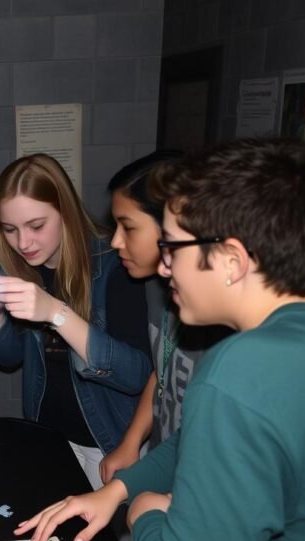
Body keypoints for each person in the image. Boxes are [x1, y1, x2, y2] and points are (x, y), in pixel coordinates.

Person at [16, 139, 305, 541]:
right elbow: (199, 438)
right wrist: (118, 489)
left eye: (173, 248)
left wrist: (144, 512)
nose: (166, 267)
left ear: (231, 260)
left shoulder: (237, 370)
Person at [0, 153, 151, 490]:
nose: (23, 243)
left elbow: (136, 375)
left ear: (65, 212)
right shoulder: (11, 263)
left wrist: (56, 313)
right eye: (10, 229)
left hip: (108, 441)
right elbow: (10, 358)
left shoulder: (113, 263)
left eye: (37, 226)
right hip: (49, 436)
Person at [98, 151, 230, 484]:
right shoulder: (152, 286)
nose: (115, 241)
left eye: (127, 228)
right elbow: (163, 370)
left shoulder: (213, 315)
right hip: (164, 463)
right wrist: (132, 443)